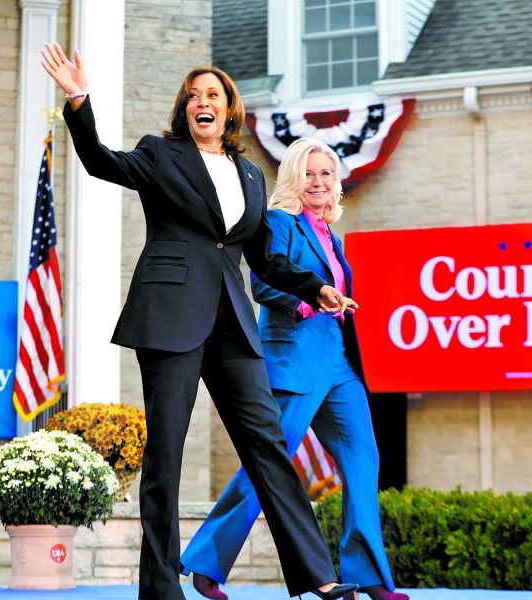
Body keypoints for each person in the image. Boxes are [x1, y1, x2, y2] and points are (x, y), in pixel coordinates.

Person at [40, 43, 360, 600]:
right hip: (170, 318)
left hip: (233, 324)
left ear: (229, 108)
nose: (201, 102)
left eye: (212, 95)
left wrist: (317, 286)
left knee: (267, 443)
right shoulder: (160, 155)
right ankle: (162, 589)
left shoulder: (252, 176)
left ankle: (318, 577)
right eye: (193, 96)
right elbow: (100, 161)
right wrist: (78, 98)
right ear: (184, 109)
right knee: (166, 454)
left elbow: (264, 258)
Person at [181, 138, 409, 600]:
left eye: (326, 173)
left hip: (340, 366)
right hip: (294, 361)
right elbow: (264, 283)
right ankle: (206, 562)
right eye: (309, 173)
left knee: (364, 458)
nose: (319, 181)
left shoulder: (332, 236)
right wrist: (311, 301)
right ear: (293, 178)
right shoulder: (279, 223)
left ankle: (368, 575)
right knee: (268, 467)